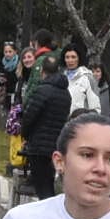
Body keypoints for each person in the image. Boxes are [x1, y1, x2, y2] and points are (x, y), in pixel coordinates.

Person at [16, 56, 73, 198]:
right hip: (55, 144)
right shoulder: (65, 94)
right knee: (48, 182)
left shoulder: (42, 90)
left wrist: (25, 135)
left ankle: (47, 216)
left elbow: (30, 116)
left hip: (39, 145)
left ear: (42, 70)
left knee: (41, 186)